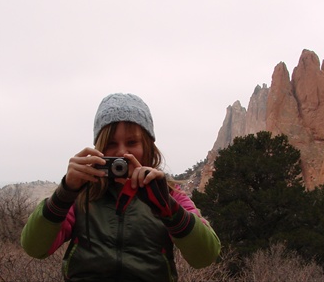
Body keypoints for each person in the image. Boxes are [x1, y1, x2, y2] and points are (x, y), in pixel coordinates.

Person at [21, 93, 221, 282]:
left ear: (148, 147)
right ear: (98, 148)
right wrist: (65, 193)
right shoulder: (81, 196)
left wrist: (169, 209)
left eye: (132, 142)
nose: (121, 152)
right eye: (111, 143)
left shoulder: (169, 196)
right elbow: (35, 247)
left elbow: (204, 256)